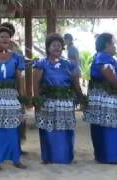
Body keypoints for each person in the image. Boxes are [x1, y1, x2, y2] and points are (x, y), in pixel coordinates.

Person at [33, 33, 84, 164]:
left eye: (59, 45)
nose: (57, 47)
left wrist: (81, 98)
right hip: (48, 103)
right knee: (48, 129)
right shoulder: (41, 64)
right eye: (54, 45)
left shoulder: (69, 64)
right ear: (48, 47)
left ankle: (65, 157)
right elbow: (36, 84)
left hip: (65, 104)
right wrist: (37, 102)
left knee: (65, 130)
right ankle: (48, 157)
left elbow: (75, 84)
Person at [84, 33, 117, 164]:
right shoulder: (103, 57)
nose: (115, 46)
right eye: (113, 43)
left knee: (107, 125)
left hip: (107, 98)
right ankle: (108, 155)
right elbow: (107, 72)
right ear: (106, 45)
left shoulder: (105, 57)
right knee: (108, 126)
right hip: (106, 99)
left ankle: (106, 155)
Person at [0, 27, 27, 170]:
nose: (4, 39)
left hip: (10, 96)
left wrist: (22, 98)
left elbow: (19, 78)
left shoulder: (16, 57)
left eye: (7, 37)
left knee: (12, 129)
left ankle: (15, 158)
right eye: (1, 37)